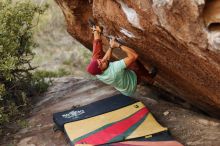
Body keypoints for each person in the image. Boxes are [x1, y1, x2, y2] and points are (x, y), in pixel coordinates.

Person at [86, 25, 157, 96]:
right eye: (101, 64)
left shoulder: (97, 68)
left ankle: (142, 79)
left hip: (122, 82)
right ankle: (149, 78)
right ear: (101, 71)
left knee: (100, 59)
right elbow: (134, 55)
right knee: (134, 63)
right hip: (130, 86)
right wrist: (117, 45)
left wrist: (96, 31)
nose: (102, 60)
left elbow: (97, 45)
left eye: (100, 60)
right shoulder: (114, 70)